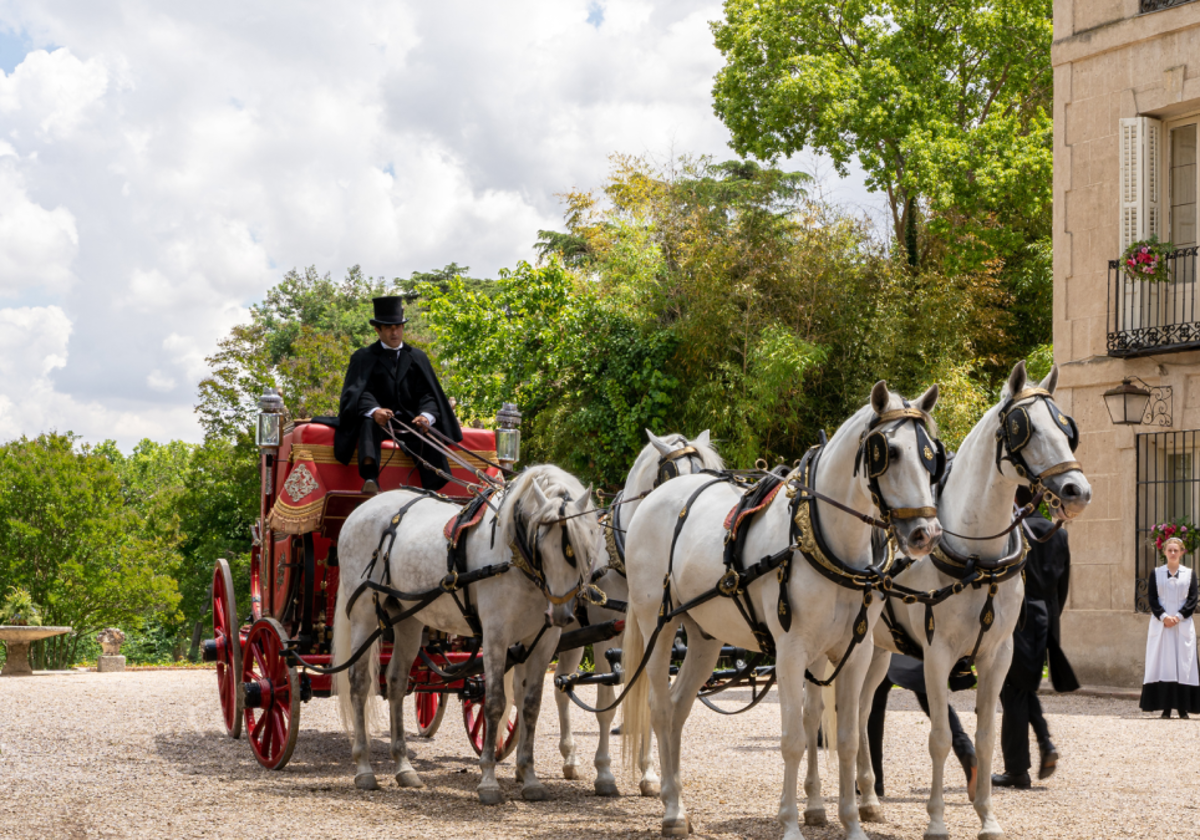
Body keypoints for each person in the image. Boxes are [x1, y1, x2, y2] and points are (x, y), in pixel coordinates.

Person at [992, 488, 1079, 789]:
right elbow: (1063, 587)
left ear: (1015, 498)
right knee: (1023, 688)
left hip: (1020, 618)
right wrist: (1052, 622)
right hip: (1047, 618)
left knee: (1012, 690)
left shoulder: (1014, 528)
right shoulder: (1059, 534)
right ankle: (1044, 743)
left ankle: (1017, 770)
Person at [333, 296, 462, 494]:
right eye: (388, 328)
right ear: (378, 330)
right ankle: (370, 477)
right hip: (378, 423)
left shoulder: (417, 357)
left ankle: (435, 485)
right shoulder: (362, 357)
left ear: (403, 328)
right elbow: (358, 392)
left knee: (428, 430)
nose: (394, 332)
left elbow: (428, 394)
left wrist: (426, 415)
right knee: (367, 423)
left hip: (412, 423)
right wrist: (374, 410)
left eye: (398, 327)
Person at [867, 653, 978, 800]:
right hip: (920, 650)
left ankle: (874, 781)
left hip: (890, 649)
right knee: (935, 703)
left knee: (873, 707)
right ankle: (965, 749)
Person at [1139, 536, 1199, 719]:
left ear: (1182, 552)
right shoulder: (1156, 573)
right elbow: (1152, 599)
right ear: (1164, 552)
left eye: (1176, 550)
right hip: (1162, 626)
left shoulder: (1190, 574)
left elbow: (1192, 599)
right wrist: (1164, 617)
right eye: (1169, 550)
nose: (1173, 553)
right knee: (1164, 664)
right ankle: (1165, 707)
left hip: (1183, 625)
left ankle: (1183, 708)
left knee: (1184, 664)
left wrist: (1179, 617)